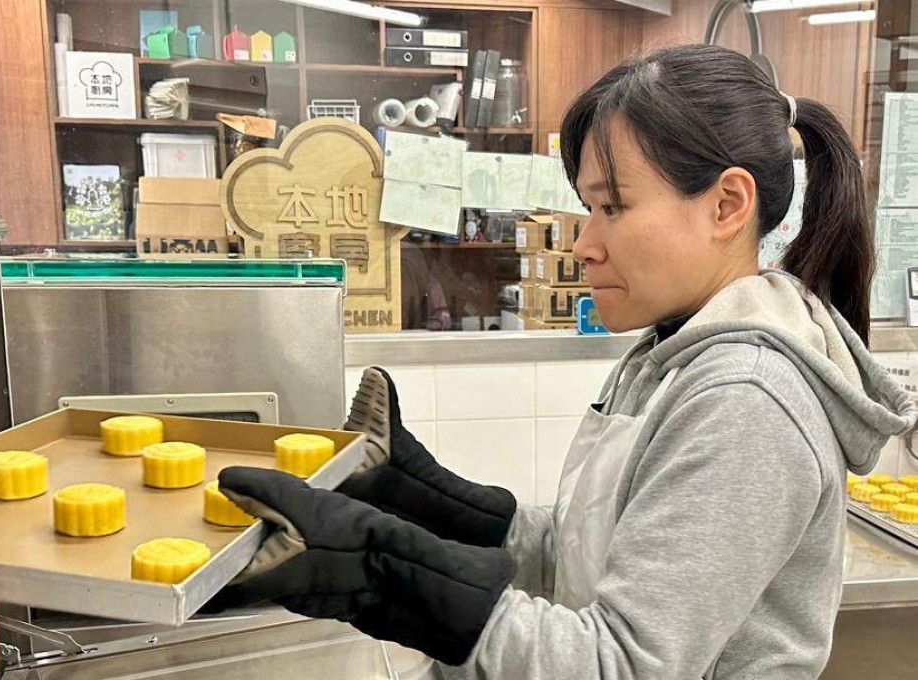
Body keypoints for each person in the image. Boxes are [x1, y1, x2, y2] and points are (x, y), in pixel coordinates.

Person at [211, 44, 918, 679]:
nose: (584, 243)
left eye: (612, 206)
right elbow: (588, 555)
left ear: (727, 204)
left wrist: (388, 574)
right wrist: (438, 501)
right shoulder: (668, 358)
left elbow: (618, 665)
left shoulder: (748, 400)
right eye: (587, 207)